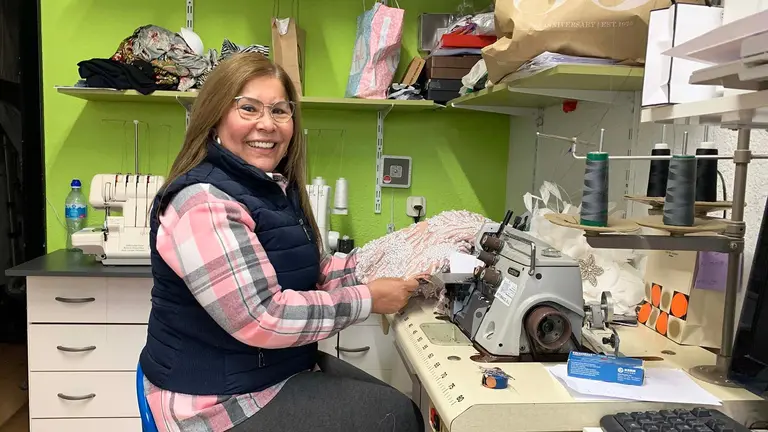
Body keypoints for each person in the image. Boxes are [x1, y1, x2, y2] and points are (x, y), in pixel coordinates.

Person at [139, 52, 425, 432]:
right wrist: (370, 299)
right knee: (396, 417)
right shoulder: (204, 203)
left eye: (279, 111)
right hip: (215, 403)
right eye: (248, 108)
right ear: (214, 119)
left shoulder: (270, 189)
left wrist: (389, 256)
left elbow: (310, 271)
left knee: (400, 406)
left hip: (266, 373)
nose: (266, 124)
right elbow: (263, 316)